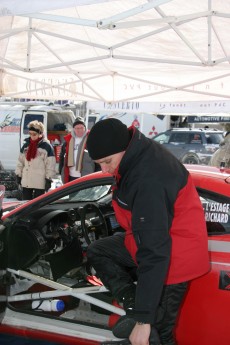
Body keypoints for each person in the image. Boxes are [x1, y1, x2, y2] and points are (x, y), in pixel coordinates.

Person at [86, 119, 210, 345]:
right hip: (152, 240)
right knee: (100, 251)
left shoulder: (148, 179)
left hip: (173, 258)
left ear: (123, 149)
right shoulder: (135, 152)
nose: (104, 169)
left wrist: (144, 322)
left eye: (107, 161)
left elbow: (154, 251)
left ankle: (142, 317)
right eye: (98, 163)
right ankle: (134, 308)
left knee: (158, 333)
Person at [15, 120, 56, 200]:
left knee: (37, 206)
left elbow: (50, 165)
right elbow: (20, 162)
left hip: (39, 182)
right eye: (30, 134)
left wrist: (48, 179)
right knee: (26, 205)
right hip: (27, 181)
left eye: (34, 134)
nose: (32, 136)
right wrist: (18, 175)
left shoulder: (46, 146)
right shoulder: (26, 145)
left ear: (40, 134)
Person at [59, 116, 98, 183]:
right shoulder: (67, 142)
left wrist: (97, 174)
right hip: (70, 176)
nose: (79, 130)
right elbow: (62, 158)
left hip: (86, 176)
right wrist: (60, 171)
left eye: (81, 128)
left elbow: (98, 159)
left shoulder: (91, 140)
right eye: (77, 128)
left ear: (85, 128)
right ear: (73, 129)